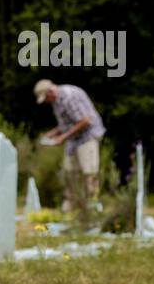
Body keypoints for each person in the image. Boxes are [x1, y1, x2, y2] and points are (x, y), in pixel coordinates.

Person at [34, 79, 105, 212]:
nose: (46, 102)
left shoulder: (70, 97)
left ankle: (92, 207)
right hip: (74, 140)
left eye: (46, 98)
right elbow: (66, 124)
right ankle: (71, 208)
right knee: (70, 173)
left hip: (87, 137)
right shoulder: (56, 102)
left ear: (51, 91)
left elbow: (85, 121)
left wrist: (63, 137)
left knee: (89, 173)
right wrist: (52, 134)